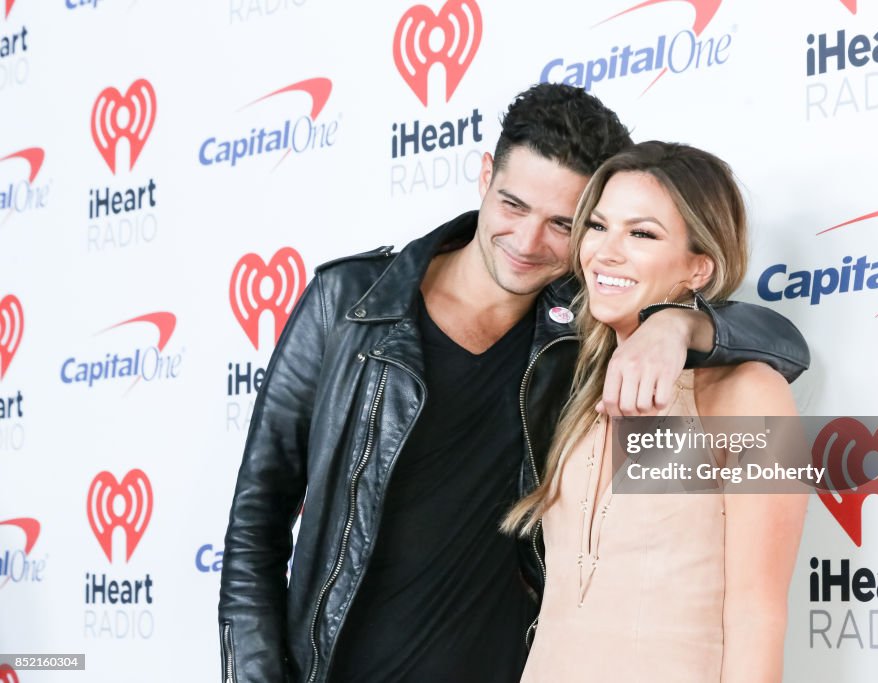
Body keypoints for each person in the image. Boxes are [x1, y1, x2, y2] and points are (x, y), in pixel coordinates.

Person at [218, 85, 809, 683]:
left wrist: (681, 324)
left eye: (562, 222)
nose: (529, 243)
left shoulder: (578, 343)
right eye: (514, 205)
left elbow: (785, 351)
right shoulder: (348, 305)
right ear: (483, 178)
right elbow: (255, 523)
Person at [505, 141, 807, 683]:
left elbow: (758, 617)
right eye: (597, 227)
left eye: (641, 234)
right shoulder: (576, 388)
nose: (605, 252)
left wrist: (679, 323)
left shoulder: (748, 395)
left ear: (699, 267)